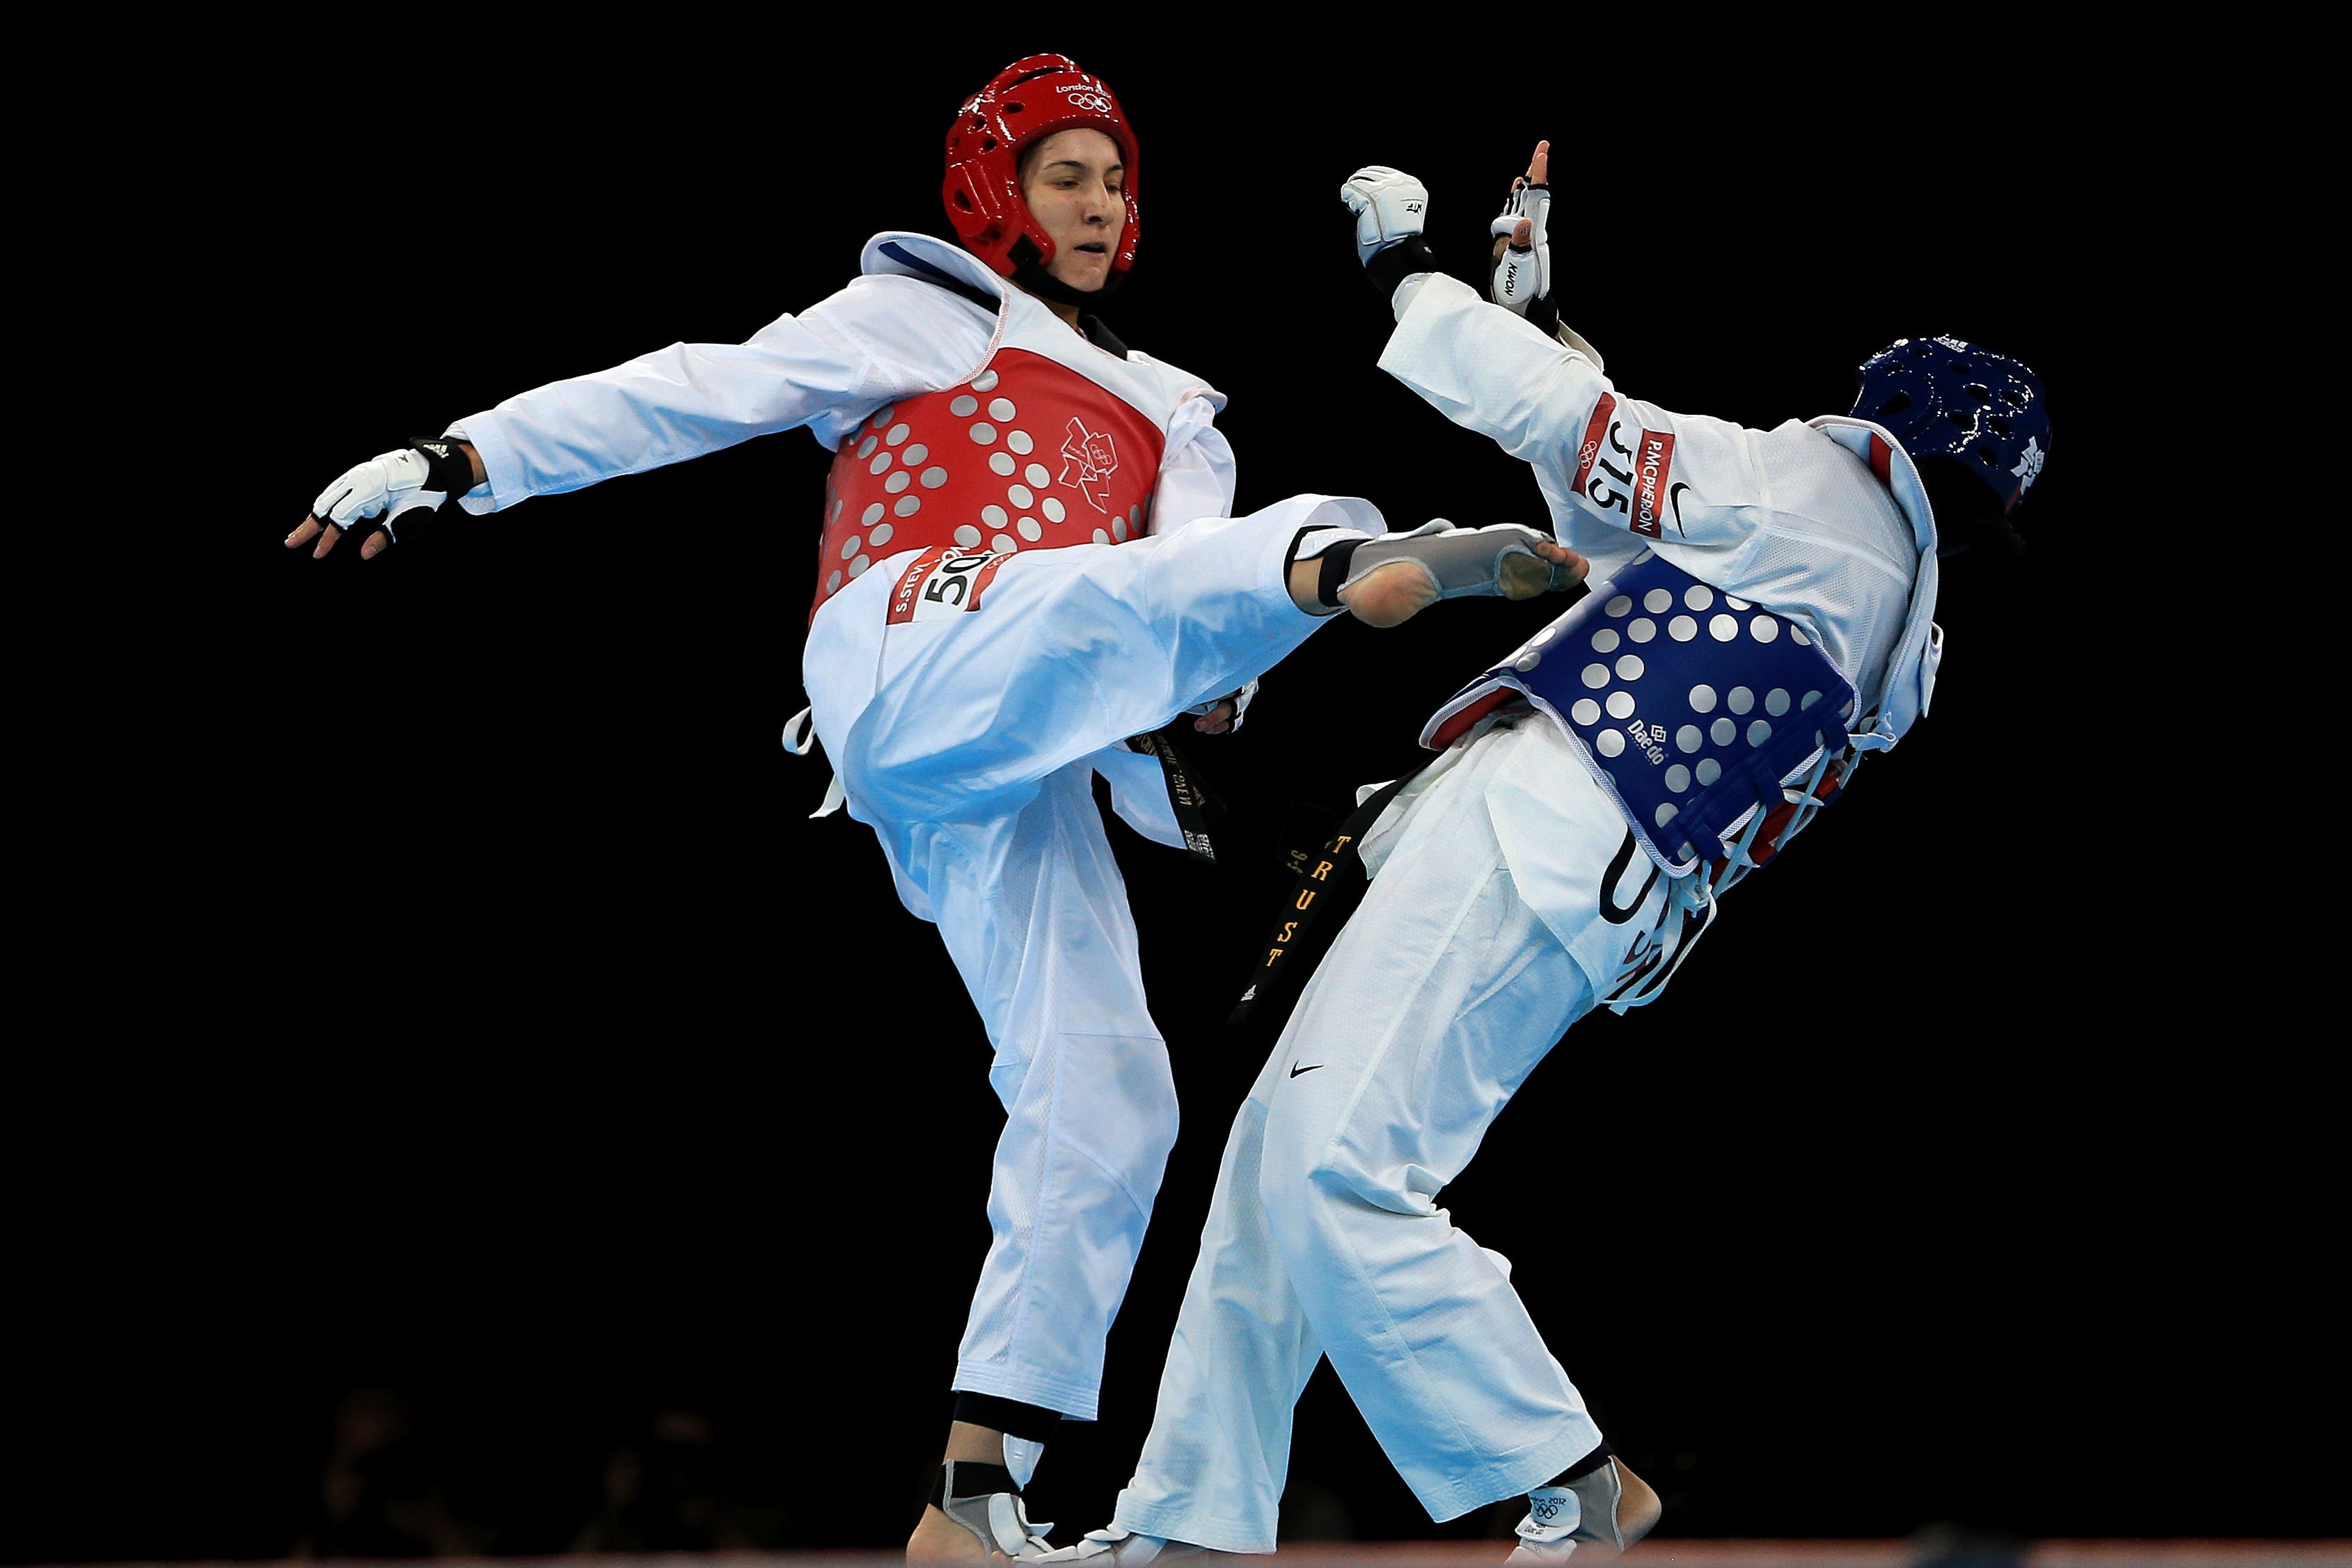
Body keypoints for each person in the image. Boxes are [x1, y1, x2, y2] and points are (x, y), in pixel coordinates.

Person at [279, 60, 1574, 1564]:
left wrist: (1209, 747)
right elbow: (688, 386)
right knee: (1173, 576)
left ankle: (974, 1485)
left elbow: (1148, 648)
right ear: (992, 192)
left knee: (1107, 1085)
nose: (1103, 205)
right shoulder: (925, 311)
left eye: (1117, 180)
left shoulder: (1177, 416)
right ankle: (1346, 556)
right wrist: (464, 459)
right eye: (1067, 176)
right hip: (908, 639)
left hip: (1010, 746)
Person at [1043, 145, 2051, 1563]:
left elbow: (1573, 428)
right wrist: (1545, 323)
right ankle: (1190, 1522)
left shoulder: (1832, 492)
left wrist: (1412, 275)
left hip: (1545, 828)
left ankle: (1571, 1474)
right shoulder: (1882, 605)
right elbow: (1611, 540)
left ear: (1890, 420)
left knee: (1338, 1169)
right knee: (1283, 1152)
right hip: (1589, 881)